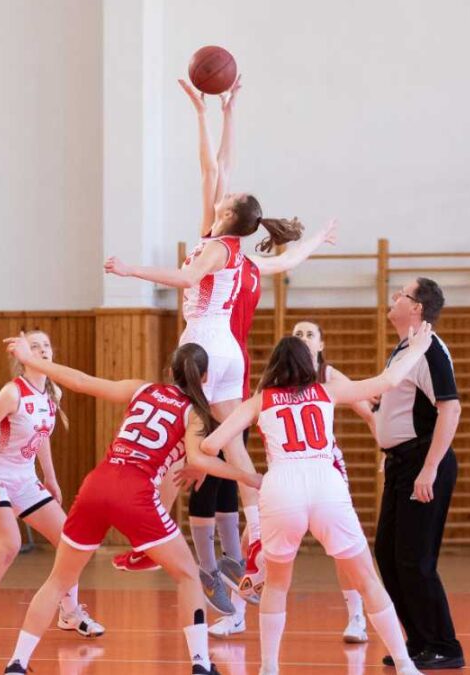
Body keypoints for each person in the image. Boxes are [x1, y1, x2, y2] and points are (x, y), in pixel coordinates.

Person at [104, 76, 331, 610]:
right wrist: (216, 113)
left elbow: (186, 280)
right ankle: (258, 538)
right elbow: (218, 169)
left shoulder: (217, 249)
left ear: (228, 215)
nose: (219, 190)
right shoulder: (245, 254)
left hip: (203, 346)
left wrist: (131, 269)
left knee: (168, 443)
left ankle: (149, 538)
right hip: (229, 352)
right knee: (230, 445)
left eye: (225, 199)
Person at [0, 337, 261, 675]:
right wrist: (248, 477)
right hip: (134, 492)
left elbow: (81, 381)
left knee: (58, 580)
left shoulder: (144, 389)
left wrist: (31, 361)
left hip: (97, 483)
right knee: (186, 576)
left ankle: (17, 663)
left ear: (169, 372)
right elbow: (201, 458)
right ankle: (200, 664)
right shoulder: (195, 414)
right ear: (207, 378)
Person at [201, 326, 436, 675]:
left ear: (274, 365)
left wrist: (242, 475)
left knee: (277, 584)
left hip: (281, 486)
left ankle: (268, 667)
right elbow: (387, 381)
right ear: (307, 364)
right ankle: (404, 664)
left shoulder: (260, 400)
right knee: (367, 580)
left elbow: (210, 444)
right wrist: (417, 347)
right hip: (326, 483)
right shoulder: (325, 391)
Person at [0, 330, 102, 647]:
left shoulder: (51, 393)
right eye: (35, 346)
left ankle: (70, 612)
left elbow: (42, 438)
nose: (44, 351)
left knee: (70, 541)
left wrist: (50, 477)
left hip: (25, 478)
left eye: (47, 345)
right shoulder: (11, 393)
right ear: (23, 356)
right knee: (9, 545)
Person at [374, 277, 465, 670]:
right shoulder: (405, 349)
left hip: (422, 464)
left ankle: (445, 645)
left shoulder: (429, 350)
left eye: (402, 294)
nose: (394, 297)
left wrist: (428, 468)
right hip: (401, 465)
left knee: (415, 559)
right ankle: (419, 641)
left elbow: (451, 408)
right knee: (389, 556)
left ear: (417, 309)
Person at [291, 319, 378, 643]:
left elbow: (369, 412)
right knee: (252, 536)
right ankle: (238, 613)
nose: (302, 338)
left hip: (326, 469)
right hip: (289, 472)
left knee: (342, 548)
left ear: (321, 345)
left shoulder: (328, 376)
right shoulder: (276, 377)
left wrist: (387, 450)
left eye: (309, 333)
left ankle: (357, 617)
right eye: (297, 333)